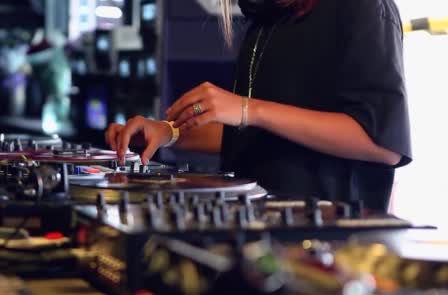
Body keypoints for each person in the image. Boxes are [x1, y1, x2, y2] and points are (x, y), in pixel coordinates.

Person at [105, 0, 411, 211]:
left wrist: (249, 109)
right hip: (262, 233)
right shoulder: (266, 21)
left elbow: (382, 142)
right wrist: (168, 132)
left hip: (330, 248)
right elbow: (257, 133)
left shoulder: (362, 8)